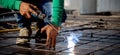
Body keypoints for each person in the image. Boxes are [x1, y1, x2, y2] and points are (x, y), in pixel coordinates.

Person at [0, 0, 65, 47]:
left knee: (61, 14)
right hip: (22, 3)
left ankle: (43, 28)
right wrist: (18, 4)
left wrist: (55, 22)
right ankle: (24, 27)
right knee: (16, 3)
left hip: (44, 2)